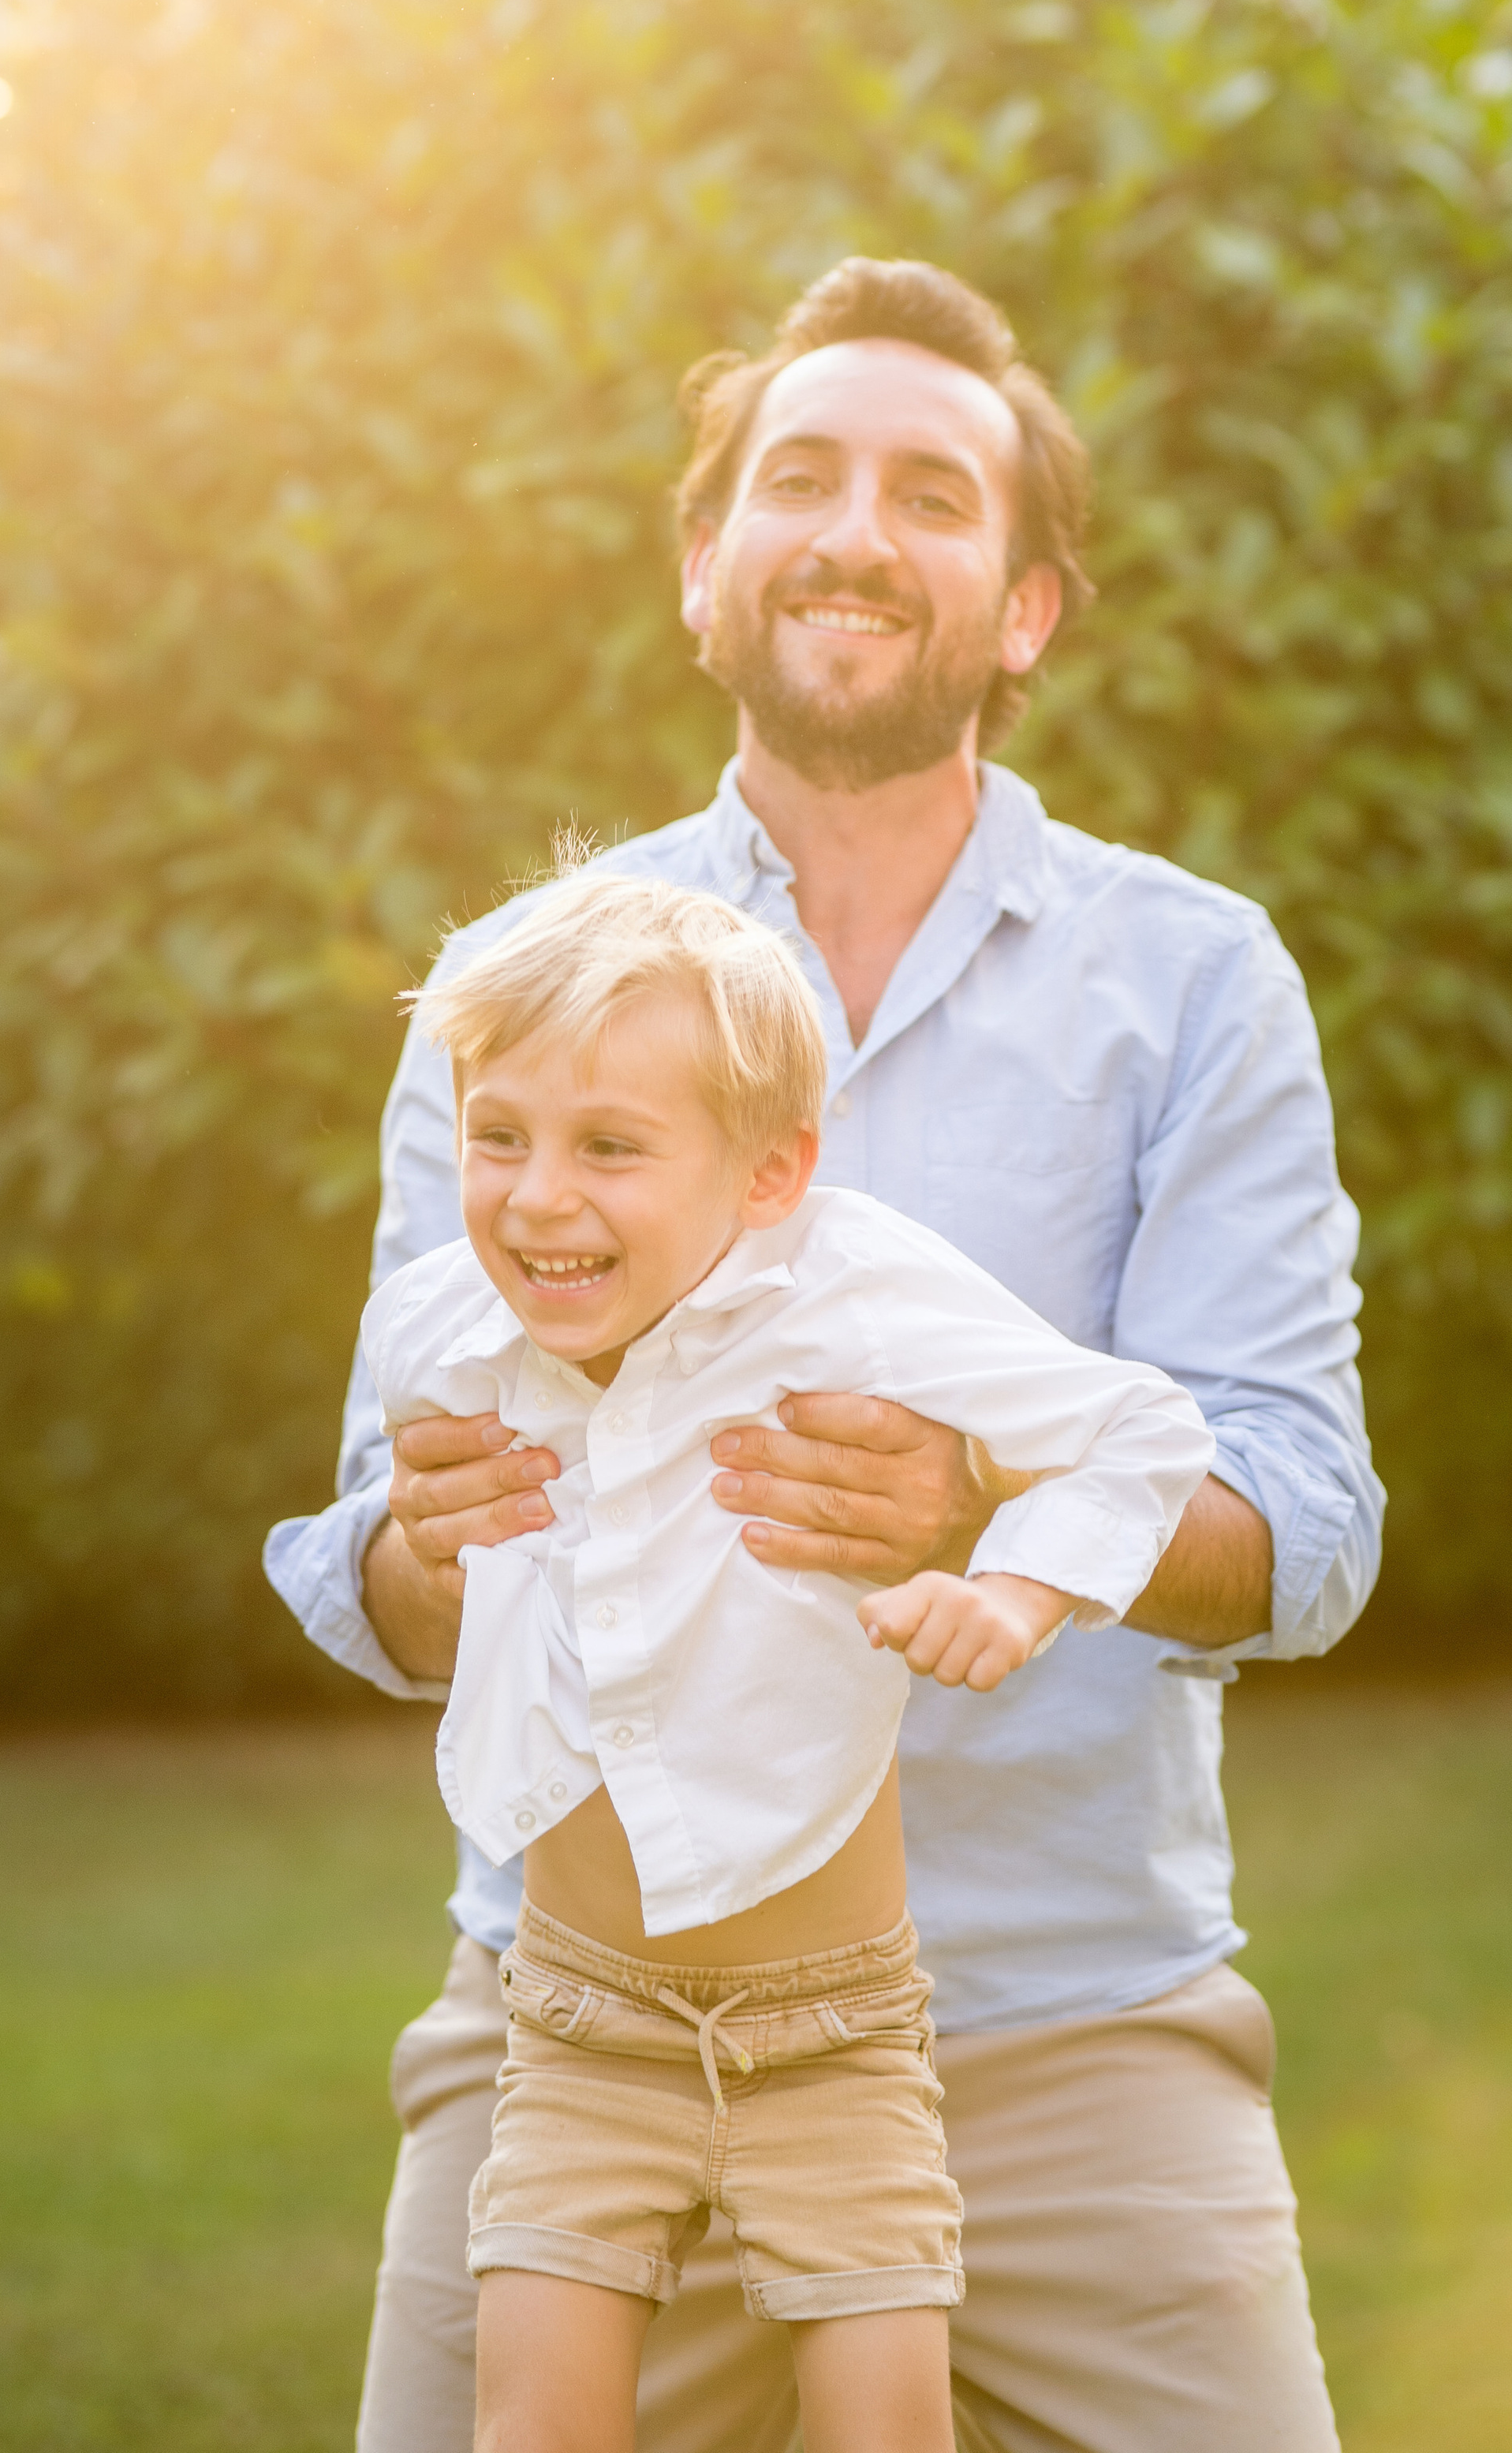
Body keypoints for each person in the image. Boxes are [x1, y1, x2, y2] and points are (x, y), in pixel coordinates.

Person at [267, 256, 1382, 2453]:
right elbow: (380, 1576)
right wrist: (436, 1534)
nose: (857, 529)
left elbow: (1311, 1531)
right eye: (800, 476)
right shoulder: (513, 995)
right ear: (707, 571)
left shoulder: (1196, 983)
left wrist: (990, 1513)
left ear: (1028, 604)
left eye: (932, 493)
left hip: (1071, 2028)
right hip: (592, 2007)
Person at [352, 866, 1215, 2453]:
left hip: (828, 2037)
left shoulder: (852, 1292)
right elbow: (400, 1534)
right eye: (497, 1137)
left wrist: (1013, 1585)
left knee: (883, 2432)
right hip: (573, 2020)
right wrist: (422, 1538)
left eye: (608, 1147)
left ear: (769, 1175)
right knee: (526, 2427)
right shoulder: (445, 1331)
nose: (536, 1198)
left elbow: (1137, 1432)